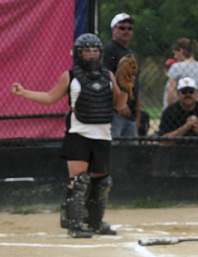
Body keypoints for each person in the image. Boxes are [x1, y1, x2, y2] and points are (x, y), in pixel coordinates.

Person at [11, 34, 128, 238]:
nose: (92, 54)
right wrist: (24, 93)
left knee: (103, 181)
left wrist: (126, 87)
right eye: (87, 50)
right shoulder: (70, 76)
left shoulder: (108, 75)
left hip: (102, 135)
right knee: (79, 180)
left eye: (95, 50)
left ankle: (95, 222)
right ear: (79, 53)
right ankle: (75, 225)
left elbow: (119, 105)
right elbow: (50, 97)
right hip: (79, 134)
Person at [103, 13, 141, 141]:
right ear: (113, 30)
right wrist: (120, 104)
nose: (126, 31)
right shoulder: (109, 51)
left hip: (130, 112)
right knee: (112, 149)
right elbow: (107, 78)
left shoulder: (132, 54)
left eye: (129, 28)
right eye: (122, 28)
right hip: (114, 111)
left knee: (131, 152)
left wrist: (138, 115)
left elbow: (136, 86)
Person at [157, 77, 198, 144]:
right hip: (175, 151)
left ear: (196, 93)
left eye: (191, 91)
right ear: (178, 94)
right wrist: (185, 127)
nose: (188, 94)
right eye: (184, 92)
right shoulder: (170, 111)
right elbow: (163, 141)